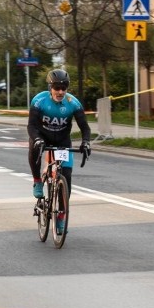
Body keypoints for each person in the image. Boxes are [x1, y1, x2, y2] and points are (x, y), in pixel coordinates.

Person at [27, 69, 91, 208]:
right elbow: (31, 126)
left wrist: (86, 142)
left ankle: (61, 215)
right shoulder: (39, 100)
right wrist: (37, 139)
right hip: (42, 136)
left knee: (66, 175)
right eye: (57, 88)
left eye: (64, 88)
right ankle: (37, 180)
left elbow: (85, 128)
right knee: (34, 148)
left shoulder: (73, 103)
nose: (61, 92)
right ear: (50, 87)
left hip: (62, 140)